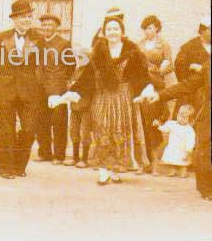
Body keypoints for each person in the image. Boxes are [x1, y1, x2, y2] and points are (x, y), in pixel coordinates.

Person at [65, 16, 153, 185]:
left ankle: (115, 169)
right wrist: (73, 91)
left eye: (116, 29)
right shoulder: (98, 53)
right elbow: (87, 77)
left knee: (119, 132)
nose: (113, 32)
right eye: (109, 29)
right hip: (102, 97)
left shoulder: (132, 52)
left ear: (122, 32)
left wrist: (146, 88)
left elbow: (141, 75)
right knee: (101, 129)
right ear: (104, 33)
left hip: (123, 97)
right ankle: (103, 170)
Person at [0, 0, 45, 179]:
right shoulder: (2, 37)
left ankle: (19, 165)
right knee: (6, 130)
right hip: (6, 90)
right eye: (22, 17)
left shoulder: (38, 38)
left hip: (29, 91)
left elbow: (48, 62)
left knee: (29, 129)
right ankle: (4, 167)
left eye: (28, 17)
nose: (26, 20)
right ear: (14, 19)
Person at [146, 61, 211, 200]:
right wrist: (161, 95)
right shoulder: (209, 64)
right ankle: (207, 190)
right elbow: (188, 85)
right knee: (204, 151)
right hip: (209, 115)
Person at [37, 13, 74, 165]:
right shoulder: (38, 43)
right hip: (39, 87)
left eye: (50, 25)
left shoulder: (64, 44)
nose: (46, 28)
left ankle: (59, 155)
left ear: (56, 27)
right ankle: (45, 153)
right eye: (44, 25)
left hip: (58, 88)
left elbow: (71, 66)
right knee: (41, 121)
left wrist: (61, 83)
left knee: (59, 121)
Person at [137, 14, 173, 173]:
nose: (147, 31)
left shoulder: (163, 45)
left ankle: (155, 163)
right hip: (141, 86)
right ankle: (142, 162)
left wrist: (164, 67)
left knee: (153, 123)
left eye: (150, 27)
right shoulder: (138, 45)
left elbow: (170, 66)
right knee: (140, 122)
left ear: (157, 28)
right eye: (145, 28)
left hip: (157, 86)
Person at [173, 16, 211, 116]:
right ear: (202, 30)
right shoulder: (189, 46)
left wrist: (203, 69)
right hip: (193, 93)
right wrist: (189, 80)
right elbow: (179, 65)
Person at [155, 104, 196, 178]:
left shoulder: (189, 129)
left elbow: (191, 140)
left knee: (183, 162)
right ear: (177, 114)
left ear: (190, 120)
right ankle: (172, 171)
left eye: (184, 118)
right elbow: (165, 129)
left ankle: (183, 172)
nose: (181, 118)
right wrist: (159, 125)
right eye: (180, 115)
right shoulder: (172, 124)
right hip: (173, 147)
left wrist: (189, 150)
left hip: (183, 149)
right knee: (172, 160)